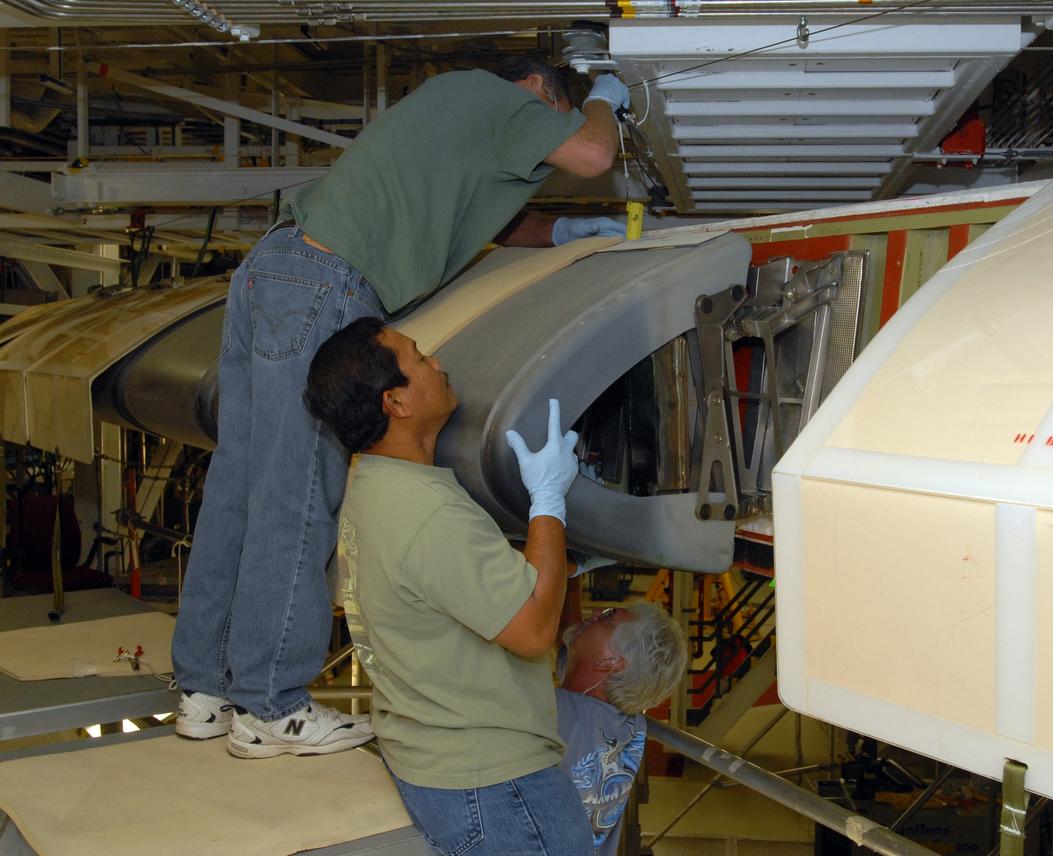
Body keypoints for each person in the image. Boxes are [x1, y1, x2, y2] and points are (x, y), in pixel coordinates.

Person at [171, 55, 630, 756]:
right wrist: (604, 100)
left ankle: (203, 689)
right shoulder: (499, 98)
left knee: (240, 487)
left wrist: (561, 234)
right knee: (298, 499)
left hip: (275, 271)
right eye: (554, 119)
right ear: (540, 91)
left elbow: (492, 222)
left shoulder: (453, 111)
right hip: (329, 286)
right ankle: (271, 705)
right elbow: (594, 152)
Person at [303, 316, 591, 854]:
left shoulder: (371, 482)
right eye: (420, 359)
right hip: (495, 783)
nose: (438, 364)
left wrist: (553, 561)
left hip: (434, 759)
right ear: (397, 403)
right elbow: (532, 632)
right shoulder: (430, 514)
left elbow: (448, 582)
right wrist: (548, 502)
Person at [555, 579, 689, 856]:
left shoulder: (559, 715)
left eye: (607, 618)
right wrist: (570, 576)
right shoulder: (631, 725)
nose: (595, 614)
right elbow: (571, 644)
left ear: (612, 662)